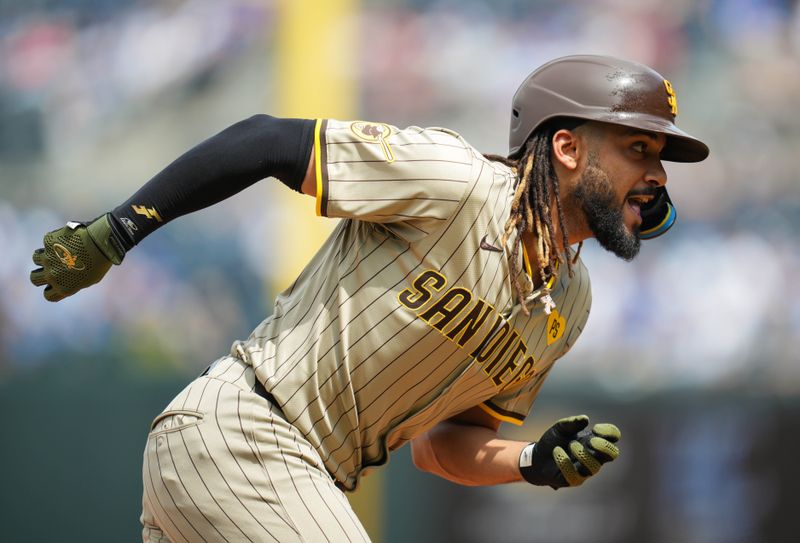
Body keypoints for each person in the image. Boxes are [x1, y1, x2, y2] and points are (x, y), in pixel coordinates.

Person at [30, 55, 708, 542]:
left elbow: (447, 444)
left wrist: (531, 460)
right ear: (565, 146)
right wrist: (118, 230)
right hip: (245, 432)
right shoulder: (457, 183)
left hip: (292, 477)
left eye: (658, 158)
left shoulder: (569, 301)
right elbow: (266, 139)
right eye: (638, 148)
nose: (655, 176)